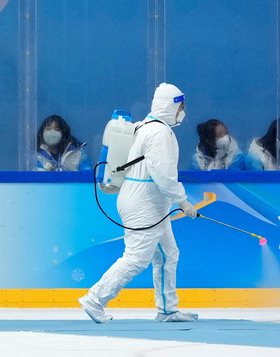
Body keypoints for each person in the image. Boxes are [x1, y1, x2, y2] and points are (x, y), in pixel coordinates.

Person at [78, 83, 199, 324]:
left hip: (148, 202)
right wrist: (182, 200)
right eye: (180, 107)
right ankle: (95, 299)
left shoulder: (143, 126)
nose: (182, 112)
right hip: (144, 203)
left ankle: (167, 310)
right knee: (136, 258)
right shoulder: (159, 132)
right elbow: (163, 173)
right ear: (169, 106)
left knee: (167, 254)